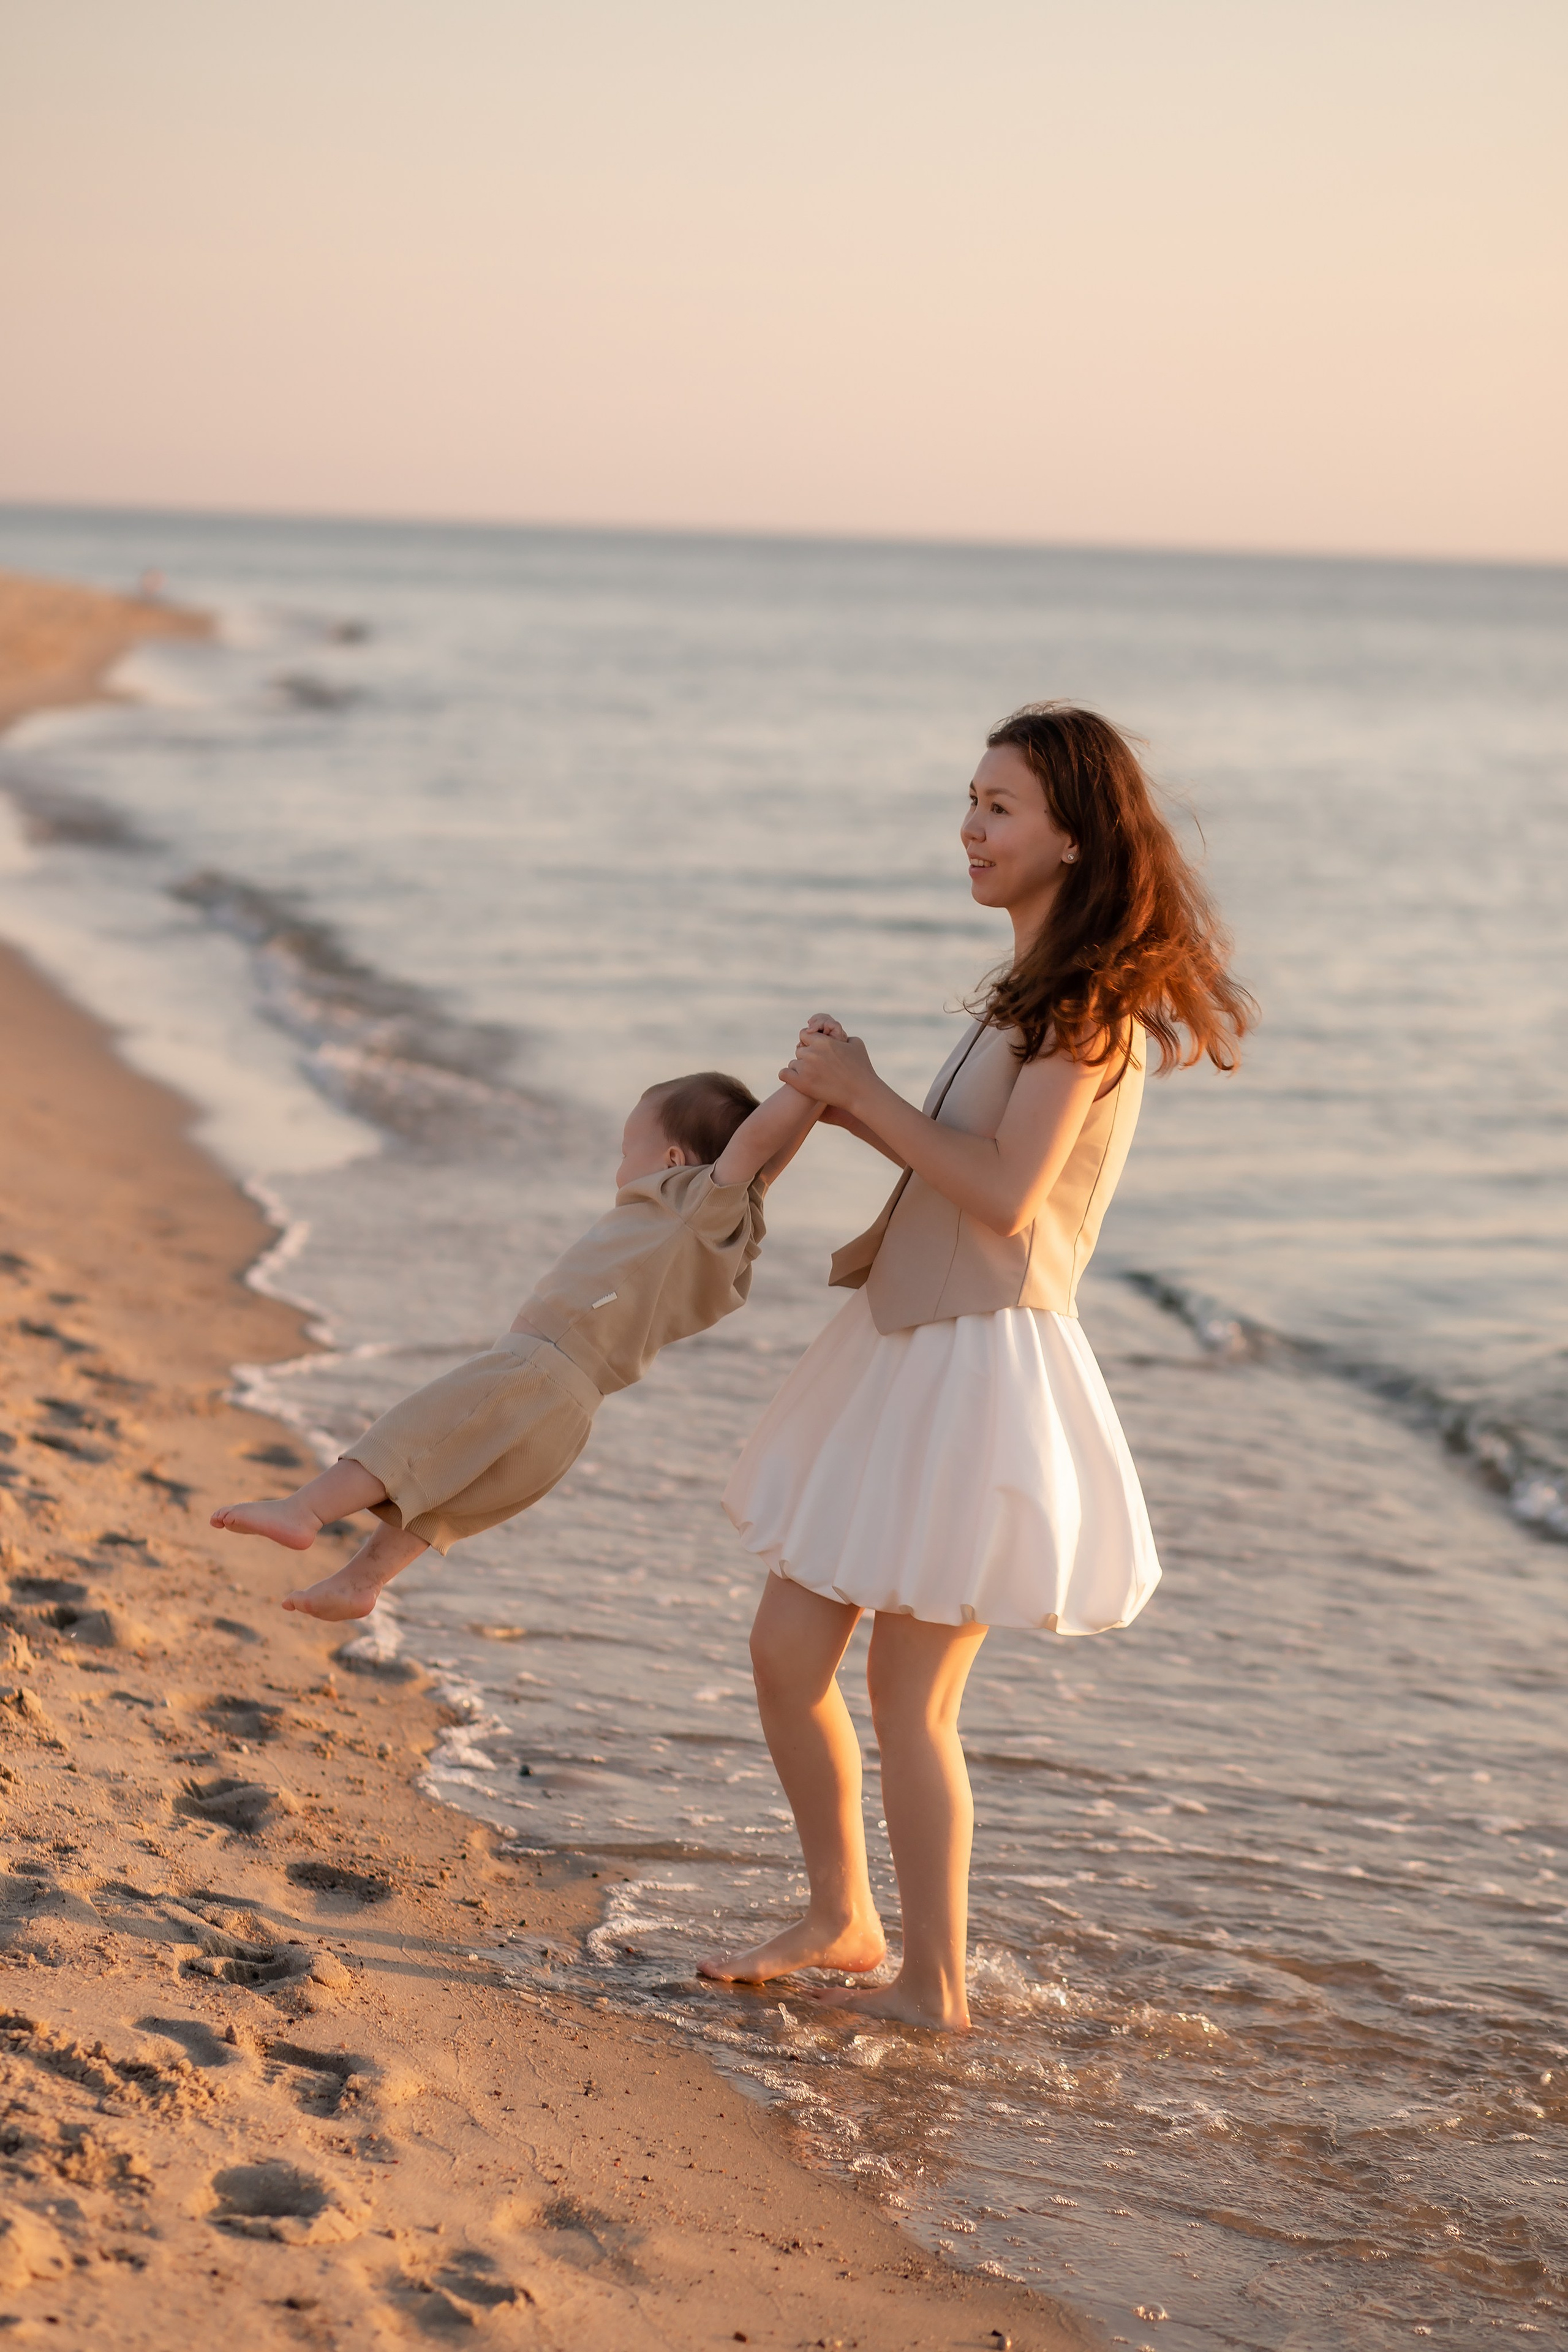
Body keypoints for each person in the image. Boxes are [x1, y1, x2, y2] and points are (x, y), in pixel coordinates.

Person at [701, 703, 1254, 2031]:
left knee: (906, 1696)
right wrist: (839, 1100)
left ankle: (931, 1988)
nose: (970, 825)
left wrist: (865, 1090)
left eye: (998, 806)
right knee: (787, 1649)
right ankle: (843, 1915)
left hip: (980, 1367)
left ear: (1072, 835)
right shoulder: (1023, 991)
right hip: (907, 1349)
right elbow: (949, 1172)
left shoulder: (1089, 1009)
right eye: (969, 798)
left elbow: (1005, 1197)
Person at [210, 1063, 826, 1620]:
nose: (618, 1169)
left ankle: (306, 1511)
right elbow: (765, 1165)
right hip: (572, 1411)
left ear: (671, 1160)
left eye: (625, 1150)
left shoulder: (690, 1207)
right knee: (443, 1494)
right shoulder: (731, 1232)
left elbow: (752, 1147)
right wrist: (814, 1101)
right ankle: (361, 1581)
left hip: (534, 1369)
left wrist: (804, 1075)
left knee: (410, 1438)